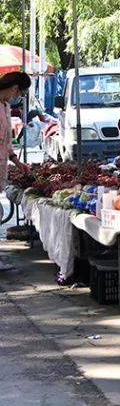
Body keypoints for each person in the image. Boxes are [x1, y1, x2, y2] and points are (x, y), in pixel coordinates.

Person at [0, 72, 29, 271]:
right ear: (15, 88)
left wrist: (17, 162)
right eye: (21, 93)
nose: (18, 97)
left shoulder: (6, 106)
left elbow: (7, 143)